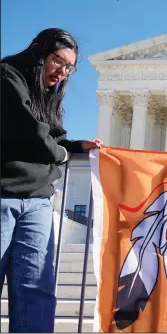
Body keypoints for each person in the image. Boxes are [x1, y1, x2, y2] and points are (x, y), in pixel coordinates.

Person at [1, 28, 104, 333]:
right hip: (4, 194)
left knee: (37, 289)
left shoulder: (46, 96)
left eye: (68, 67)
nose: (62, 72)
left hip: (37, 201)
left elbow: (49, 134)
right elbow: (28, 130)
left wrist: (73, 147)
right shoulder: (7, 77)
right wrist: (60, 154)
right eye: (57, 60)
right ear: (37, 51)